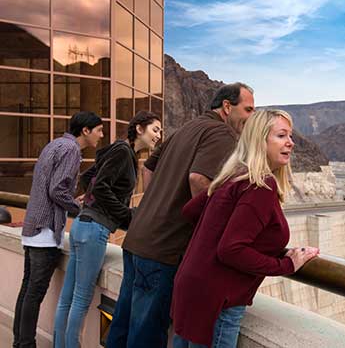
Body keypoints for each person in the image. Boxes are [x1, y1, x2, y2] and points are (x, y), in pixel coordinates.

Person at [106, 82, 255, 348]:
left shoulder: (184, 129)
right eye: (248, 110)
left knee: (122, 326)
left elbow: (148, 170)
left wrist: (159, 206)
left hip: (138, 239)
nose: (251, 117)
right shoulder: (222, 134)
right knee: (146, 336)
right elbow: (198, 179)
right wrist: (210, 228)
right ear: (227, 107)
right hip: (165, 250)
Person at [171, 110, 319, 348]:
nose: (291, 143)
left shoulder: (232, 178)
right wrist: (286, 265)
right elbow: (230, 249)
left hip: (191, 288)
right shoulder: (261, 185)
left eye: (290, 136)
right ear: (260, 140)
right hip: (218, 301)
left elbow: (190, 211)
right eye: (282, 136)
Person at [52, 111, 161, 348]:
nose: (158, 136)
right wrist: (128, 216)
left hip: (82, 224)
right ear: (139, 129)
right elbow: (101, 187)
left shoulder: (121, 151)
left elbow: (89, 176)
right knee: (80, 300)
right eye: (155, 129)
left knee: (67, 298)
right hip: (95, 230)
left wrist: (90, 200)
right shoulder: (123, 151)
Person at [13, 112, 104, 348]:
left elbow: (52, 186)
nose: (101, 135)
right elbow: (57, 190)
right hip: (45, 232)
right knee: (34, 294)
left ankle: (20, 342)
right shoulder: (72, 150)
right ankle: (26, 345)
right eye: (99, 130)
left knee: (27, 291)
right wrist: (78, 205)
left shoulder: (55, 144)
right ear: (85, 130)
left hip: (34, 228)